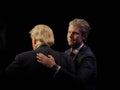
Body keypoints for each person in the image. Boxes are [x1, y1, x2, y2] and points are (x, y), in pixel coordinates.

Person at [0, 24, 75, 89]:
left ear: (34, 41)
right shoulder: (66, 58)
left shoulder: (22, 58)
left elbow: (4, 77)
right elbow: (76, 84)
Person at [36, 18, 97, 90]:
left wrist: (53, 66)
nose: (70, 36)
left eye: (75, 33)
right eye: (69, 32)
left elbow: (79, 82)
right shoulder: (66, 52)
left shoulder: (88, 57)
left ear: (84, 36)